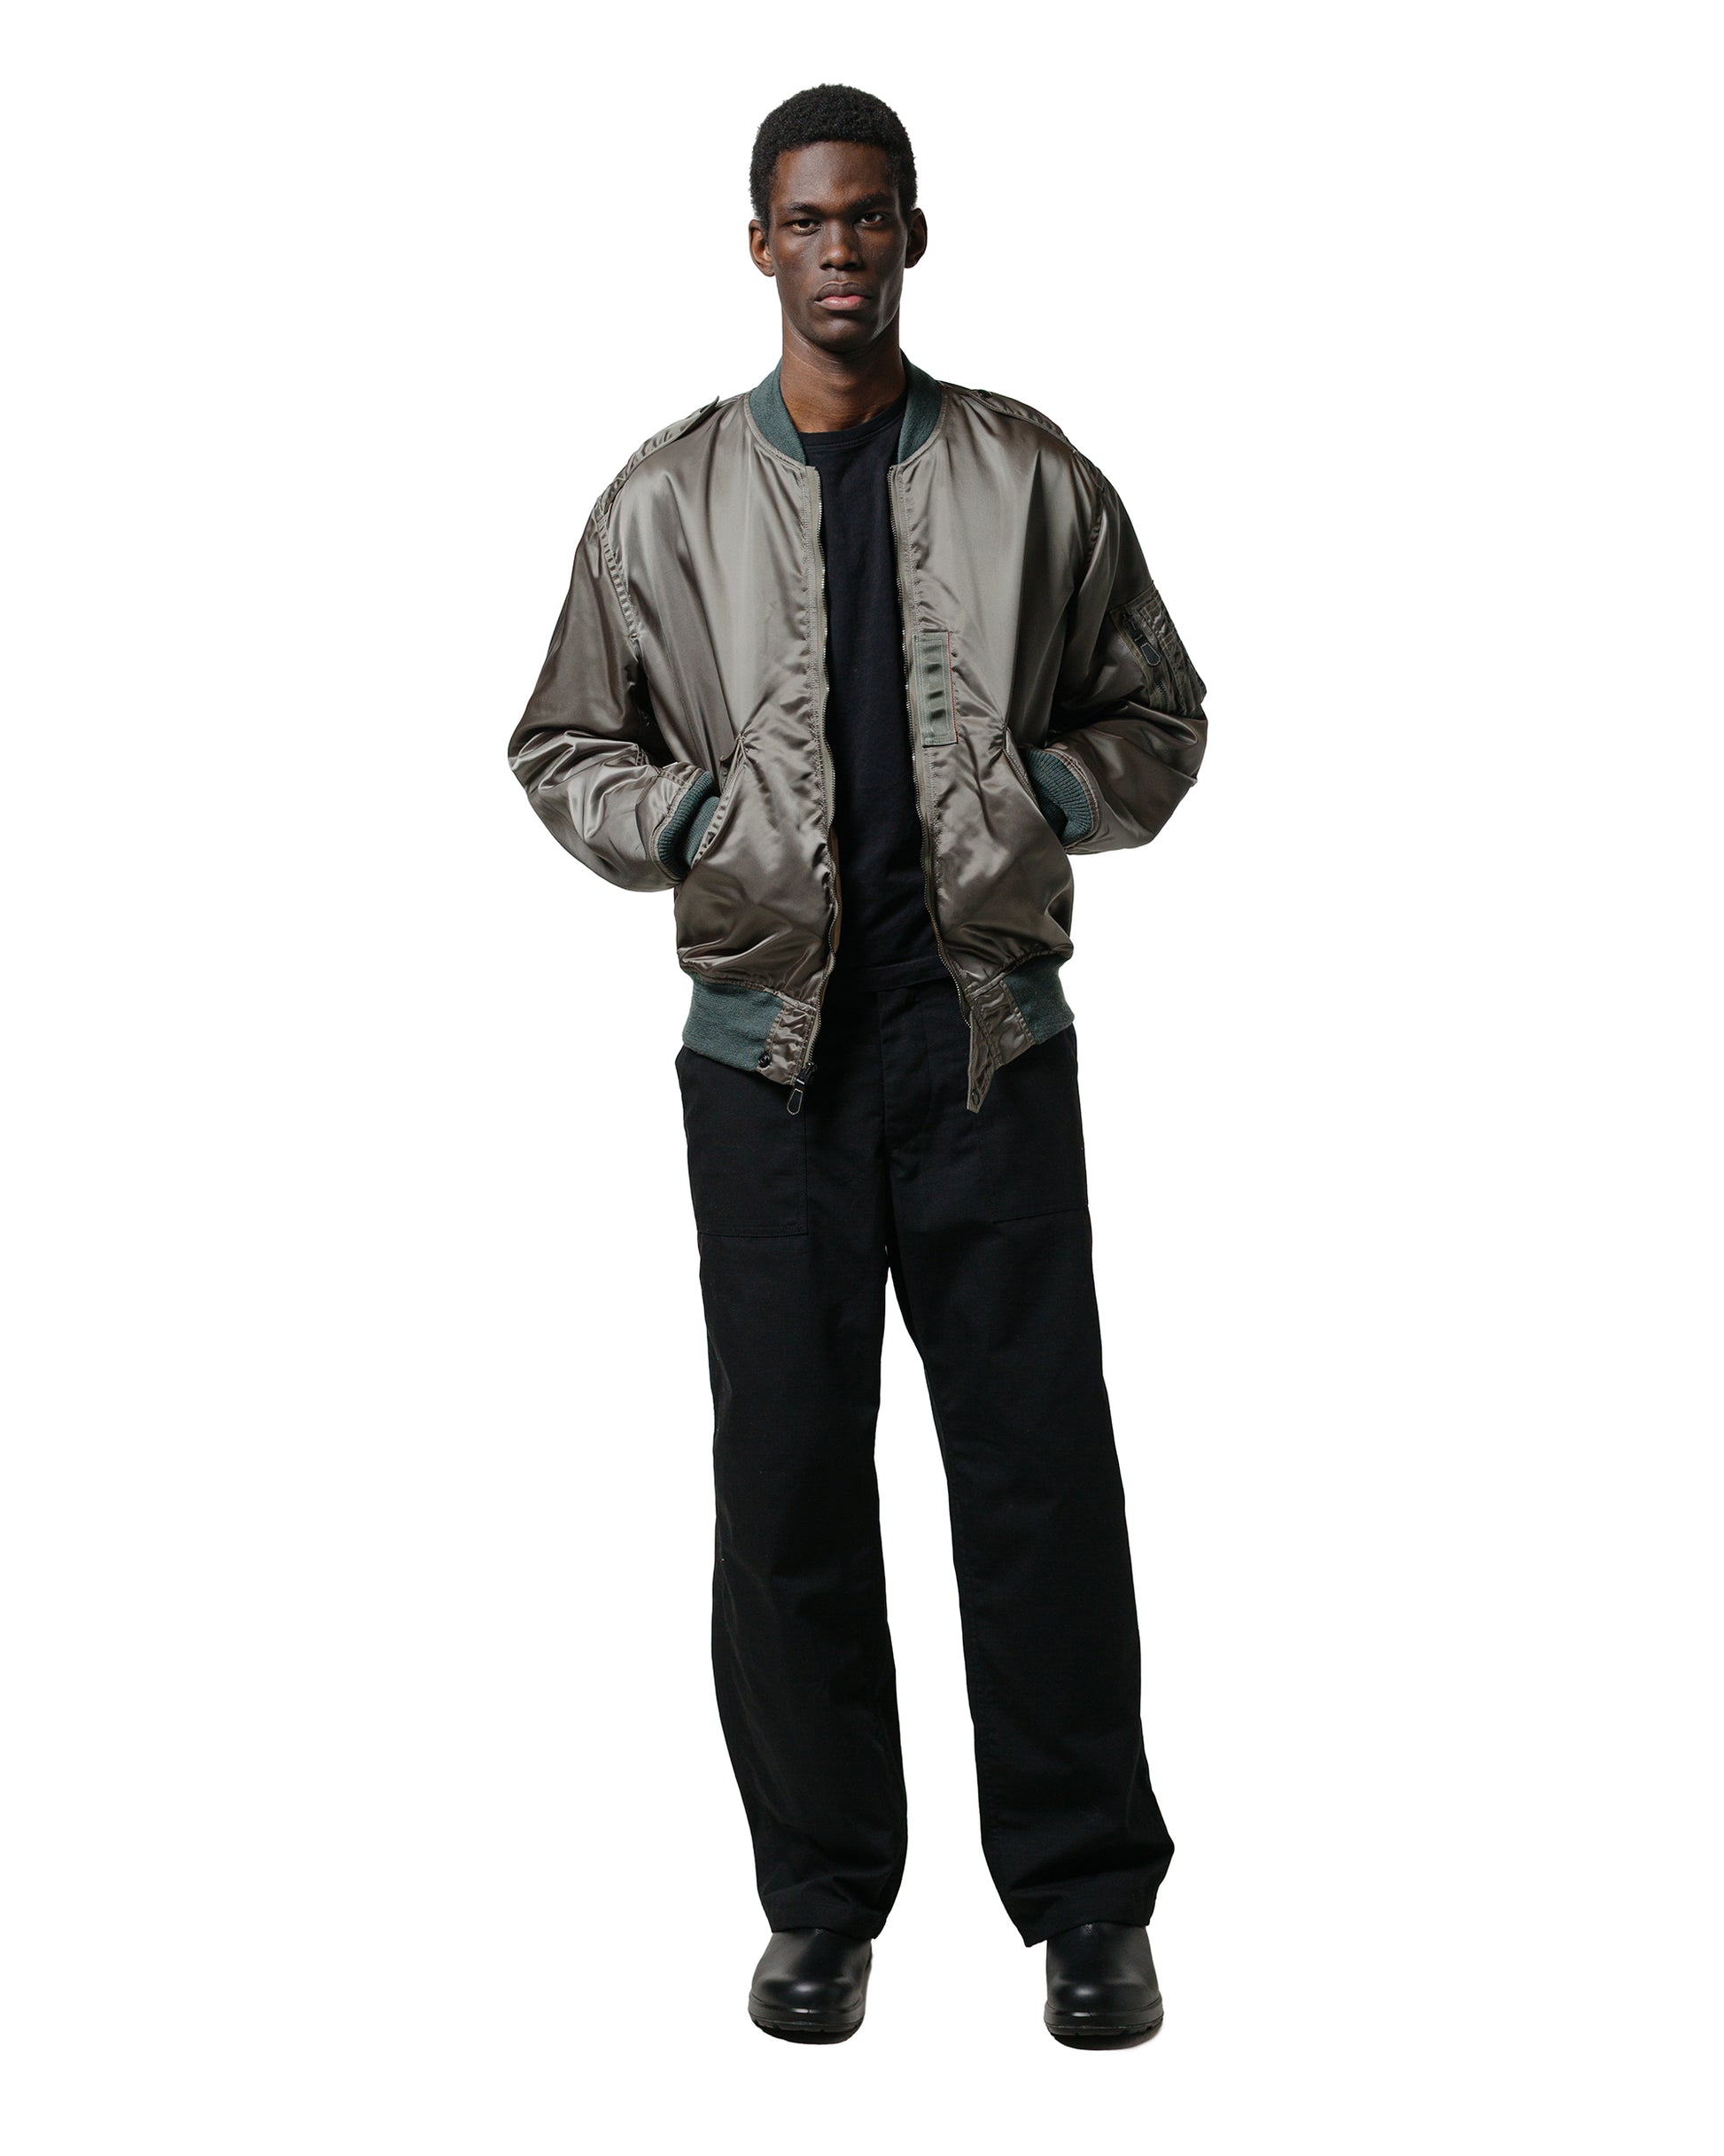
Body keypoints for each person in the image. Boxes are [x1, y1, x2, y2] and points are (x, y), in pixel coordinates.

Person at [508, 83, 1208, 2048]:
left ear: (912, 233)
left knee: (1038, 1477)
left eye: (869, 215)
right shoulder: (663, 501)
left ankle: (1087, 1899)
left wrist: (1043, 792)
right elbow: (560, 741)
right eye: (806, 220)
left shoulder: (1028, 475)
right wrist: (688, 819)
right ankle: (820, 1901)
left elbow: (1161, 711)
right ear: (759, 245)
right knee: (790, 1488)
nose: (838, 249)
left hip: (986, 1047)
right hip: (768, 1066)